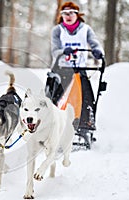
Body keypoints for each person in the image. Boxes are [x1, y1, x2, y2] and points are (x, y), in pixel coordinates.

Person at [49, 1, 104, 131]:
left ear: (77, 15)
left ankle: (85, 124)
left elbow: (95, 43)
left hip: (80, 69)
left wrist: (97, 51)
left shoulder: (85, 30)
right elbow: (55, 50)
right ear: (61, 15)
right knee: (56, 97)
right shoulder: (57, 30)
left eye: (71, 13)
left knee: (85, 96)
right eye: (65, 13)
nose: (68, 16)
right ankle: (53, 123)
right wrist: (64, 51)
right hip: (61, 69)